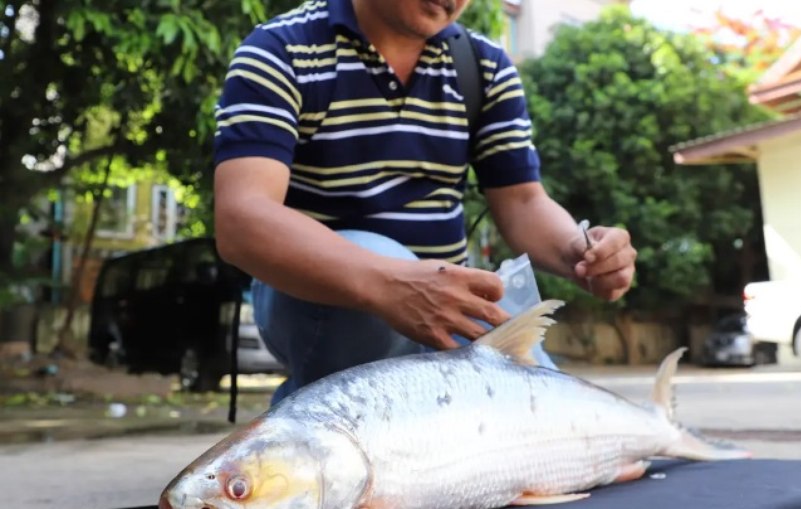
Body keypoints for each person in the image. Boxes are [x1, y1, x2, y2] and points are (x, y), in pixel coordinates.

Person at [212, 0, 637, 405]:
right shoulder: (281, 50)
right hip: (322, 302)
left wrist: (580, 251)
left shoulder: (483, 67)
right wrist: (394, 283)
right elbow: (242, 219)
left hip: (448, 299)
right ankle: (319, 416)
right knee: (375, 254)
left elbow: (524, 202)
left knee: (557, 420)